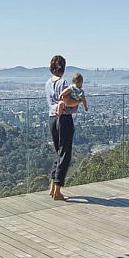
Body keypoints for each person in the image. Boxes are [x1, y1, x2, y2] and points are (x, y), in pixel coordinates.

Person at [46, 54, 74, 201]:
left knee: (58, 153)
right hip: (63, 119)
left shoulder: (48, 83)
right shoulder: (63, 83)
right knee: (65, 154)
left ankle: (52, 188)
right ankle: (57, 190)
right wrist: (79, 101)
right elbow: (66, 102)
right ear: (63, 67)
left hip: (52, 119)